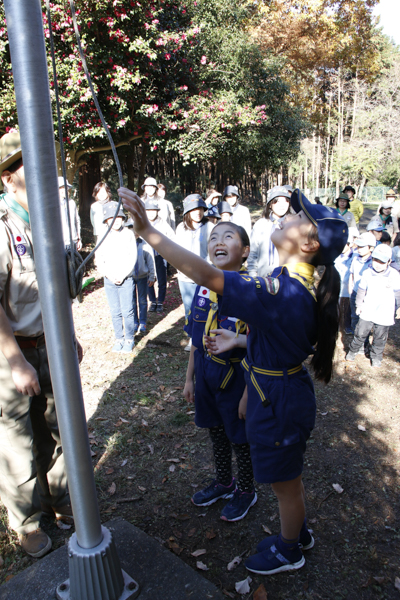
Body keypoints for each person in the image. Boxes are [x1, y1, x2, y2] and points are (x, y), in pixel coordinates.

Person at [117, 185, 348, 576]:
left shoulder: (282, 289)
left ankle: (289, 549)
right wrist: (243, 338)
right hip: (274, 390)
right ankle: (299, 532)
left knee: (284, 484)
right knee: (286, 478)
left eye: (296, 217)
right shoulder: (287, 280)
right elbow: (283, 338)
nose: (285, 216)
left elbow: (208, 274)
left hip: (277, 400)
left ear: (308, 243)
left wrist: (148, 232)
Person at [0, 131, 80, 558]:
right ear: (9, 179)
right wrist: (17, 362)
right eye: (32, 169)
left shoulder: (46, 224)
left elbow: (54, 292)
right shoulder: (2, 227)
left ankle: (62, 500)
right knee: (18, 438)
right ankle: (28, 522)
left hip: (51, 344)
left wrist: (69, 337)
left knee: (59, 425)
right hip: (13, 350)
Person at [184, 222, 257, 521]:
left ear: (245, 250)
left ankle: (246, 489)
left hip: (237, 379)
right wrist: (189, 378)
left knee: (239, 437)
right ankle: (225, 482)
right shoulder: (203, 289)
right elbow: (195, 338)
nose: (219, 241)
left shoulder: (251, 291)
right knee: (216, 431)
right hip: (206, 376)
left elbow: (261, 347)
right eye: (213, 237)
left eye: (228, 236)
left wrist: (247, 395)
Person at [346, 244, 400, 368]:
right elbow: (361, 291)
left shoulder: (394, 275)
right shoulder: (367, 273)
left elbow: (398, 294)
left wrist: (395, 308)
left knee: (380, 336)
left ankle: (376, 356)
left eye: (382, 261)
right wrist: (359, 305)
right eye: (376, 260)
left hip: (385, 312)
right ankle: (353, 351)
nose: (378, 264)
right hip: (368, 310)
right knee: (360, 332)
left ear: (389, 261)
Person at [95, 202, 137, 353]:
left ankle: (129, 338)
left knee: (128, 310)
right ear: (106, 220)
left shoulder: (128, 234)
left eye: (118, 217)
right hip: (109, 279)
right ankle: (119, 338)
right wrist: (109, 275)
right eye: (111, 218)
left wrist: (122, 275)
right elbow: (98, 258)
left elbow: (133, 257)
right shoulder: (102, 235)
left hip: (126, 278)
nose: (116, 220)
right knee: (115, 311)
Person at [175, 194, 215, 350]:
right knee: (188, 307)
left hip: (204, 276)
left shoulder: (210, 227)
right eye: (193, 209)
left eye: (200, 209)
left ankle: (204, 337)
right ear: (187, 212)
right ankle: (192, 337)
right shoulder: (180, 228)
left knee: (204, 306)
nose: (198, 212)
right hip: (185, 277)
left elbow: (212, 252)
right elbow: (177, 252)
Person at [248, 186, 291, 278]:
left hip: (288, 280)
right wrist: (253, 276)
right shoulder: (260, 224)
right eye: (277, 201)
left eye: (286, 200)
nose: (282, 204)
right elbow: (252, 252)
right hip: (263, 279)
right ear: (270, 204)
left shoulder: (293, 224)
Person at [145, 199, 175, 313]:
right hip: (147, 256)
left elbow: (172, 237)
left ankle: (160, 301)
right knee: (149, 279)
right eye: (148, 210)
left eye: (153, 210)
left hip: (160, 255)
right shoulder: (143, 223)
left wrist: (166, 249)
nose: (151, 213)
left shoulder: (163, 223)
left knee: (162, 279)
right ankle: (152, 301)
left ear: (157, 211)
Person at [349, 232, 376, 334]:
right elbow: (352, 275)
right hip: (355, 292)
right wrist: (350, 290)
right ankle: (355, 338)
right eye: (358, 246)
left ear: (371, 248)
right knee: (354, 317)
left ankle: (364, 341)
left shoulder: (374, 263)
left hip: (368, 295)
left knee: (366, 320)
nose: (359, 249)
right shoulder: (355, 258)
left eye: (363, 247)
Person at [132, 231, 155, 335]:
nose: (134, 232)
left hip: (142, 277)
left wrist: (152, 275)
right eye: (131, 229)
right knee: (131, 301)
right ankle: (134, 322)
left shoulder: (145, 244)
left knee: (142, 300)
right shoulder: (126, 244)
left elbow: (150, 261)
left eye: (136, 230)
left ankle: (142, 322)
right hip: (129, 277)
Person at [334, 233, 354, 334]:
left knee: (347, 309)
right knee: (336, 308)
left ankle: (347, 326)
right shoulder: (335, 255)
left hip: (348, 289)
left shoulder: (355, 257)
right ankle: (336, 326)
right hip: (337, 287)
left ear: (349, 244)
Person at [58, 177, 81, 250]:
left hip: (72, 241)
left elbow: (77, 221)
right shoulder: (53, 205)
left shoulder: (71, 203)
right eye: (61, 187)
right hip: (60, 243)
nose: (64, 190)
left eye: (66, 187)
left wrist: (79, 239)